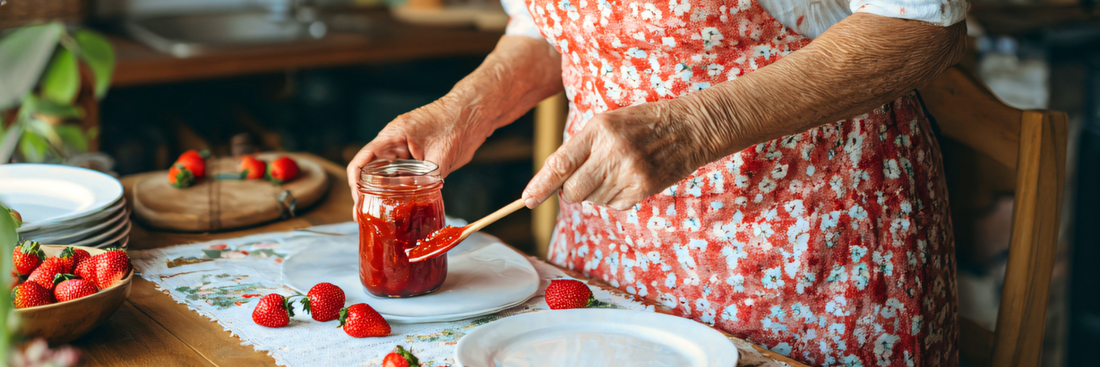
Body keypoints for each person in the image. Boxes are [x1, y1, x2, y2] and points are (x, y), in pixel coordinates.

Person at [348, 0, 966, 364]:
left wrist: (697, 123)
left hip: (808, 256)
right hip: (607, 252)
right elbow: (557, 27)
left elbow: (921, 26)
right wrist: (466, 108)